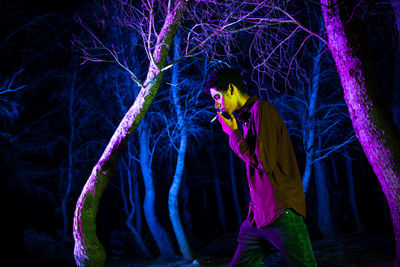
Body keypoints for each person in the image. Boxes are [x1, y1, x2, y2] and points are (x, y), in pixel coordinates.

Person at [205, 67, 317, 267]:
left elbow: (265, 163)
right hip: (258, 217)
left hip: (281, 212)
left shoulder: (262, 110)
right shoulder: (246, 119)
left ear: (231, 89)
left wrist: (233, 134)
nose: (216, 104)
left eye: (218, 97)